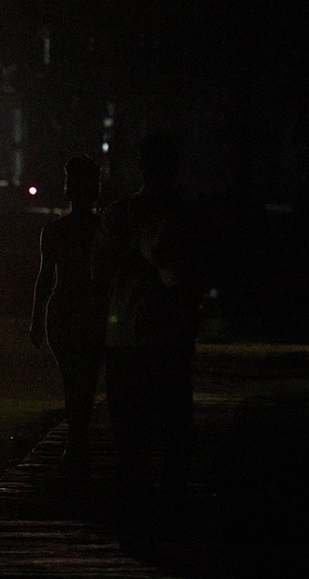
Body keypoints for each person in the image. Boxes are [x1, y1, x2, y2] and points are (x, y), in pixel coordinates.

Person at [93, 132, 202, 554]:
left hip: (130, 339)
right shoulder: (185, 215)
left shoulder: (121, 214)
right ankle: (168, 520)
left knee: (133, 439)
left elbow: (99, 271)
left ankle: (138, 525)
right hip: (166, 338)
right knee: (171, 436)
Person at [29, 154, 107, 478]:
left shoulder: (55, 230)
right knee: (85, 379)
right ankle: (77, 440)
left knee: (71, 378)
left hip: (62, 309)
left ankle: (75, 442)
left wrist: (36, 316)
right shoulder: (104, 230)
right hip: (93, 309)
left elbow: (45, 277)